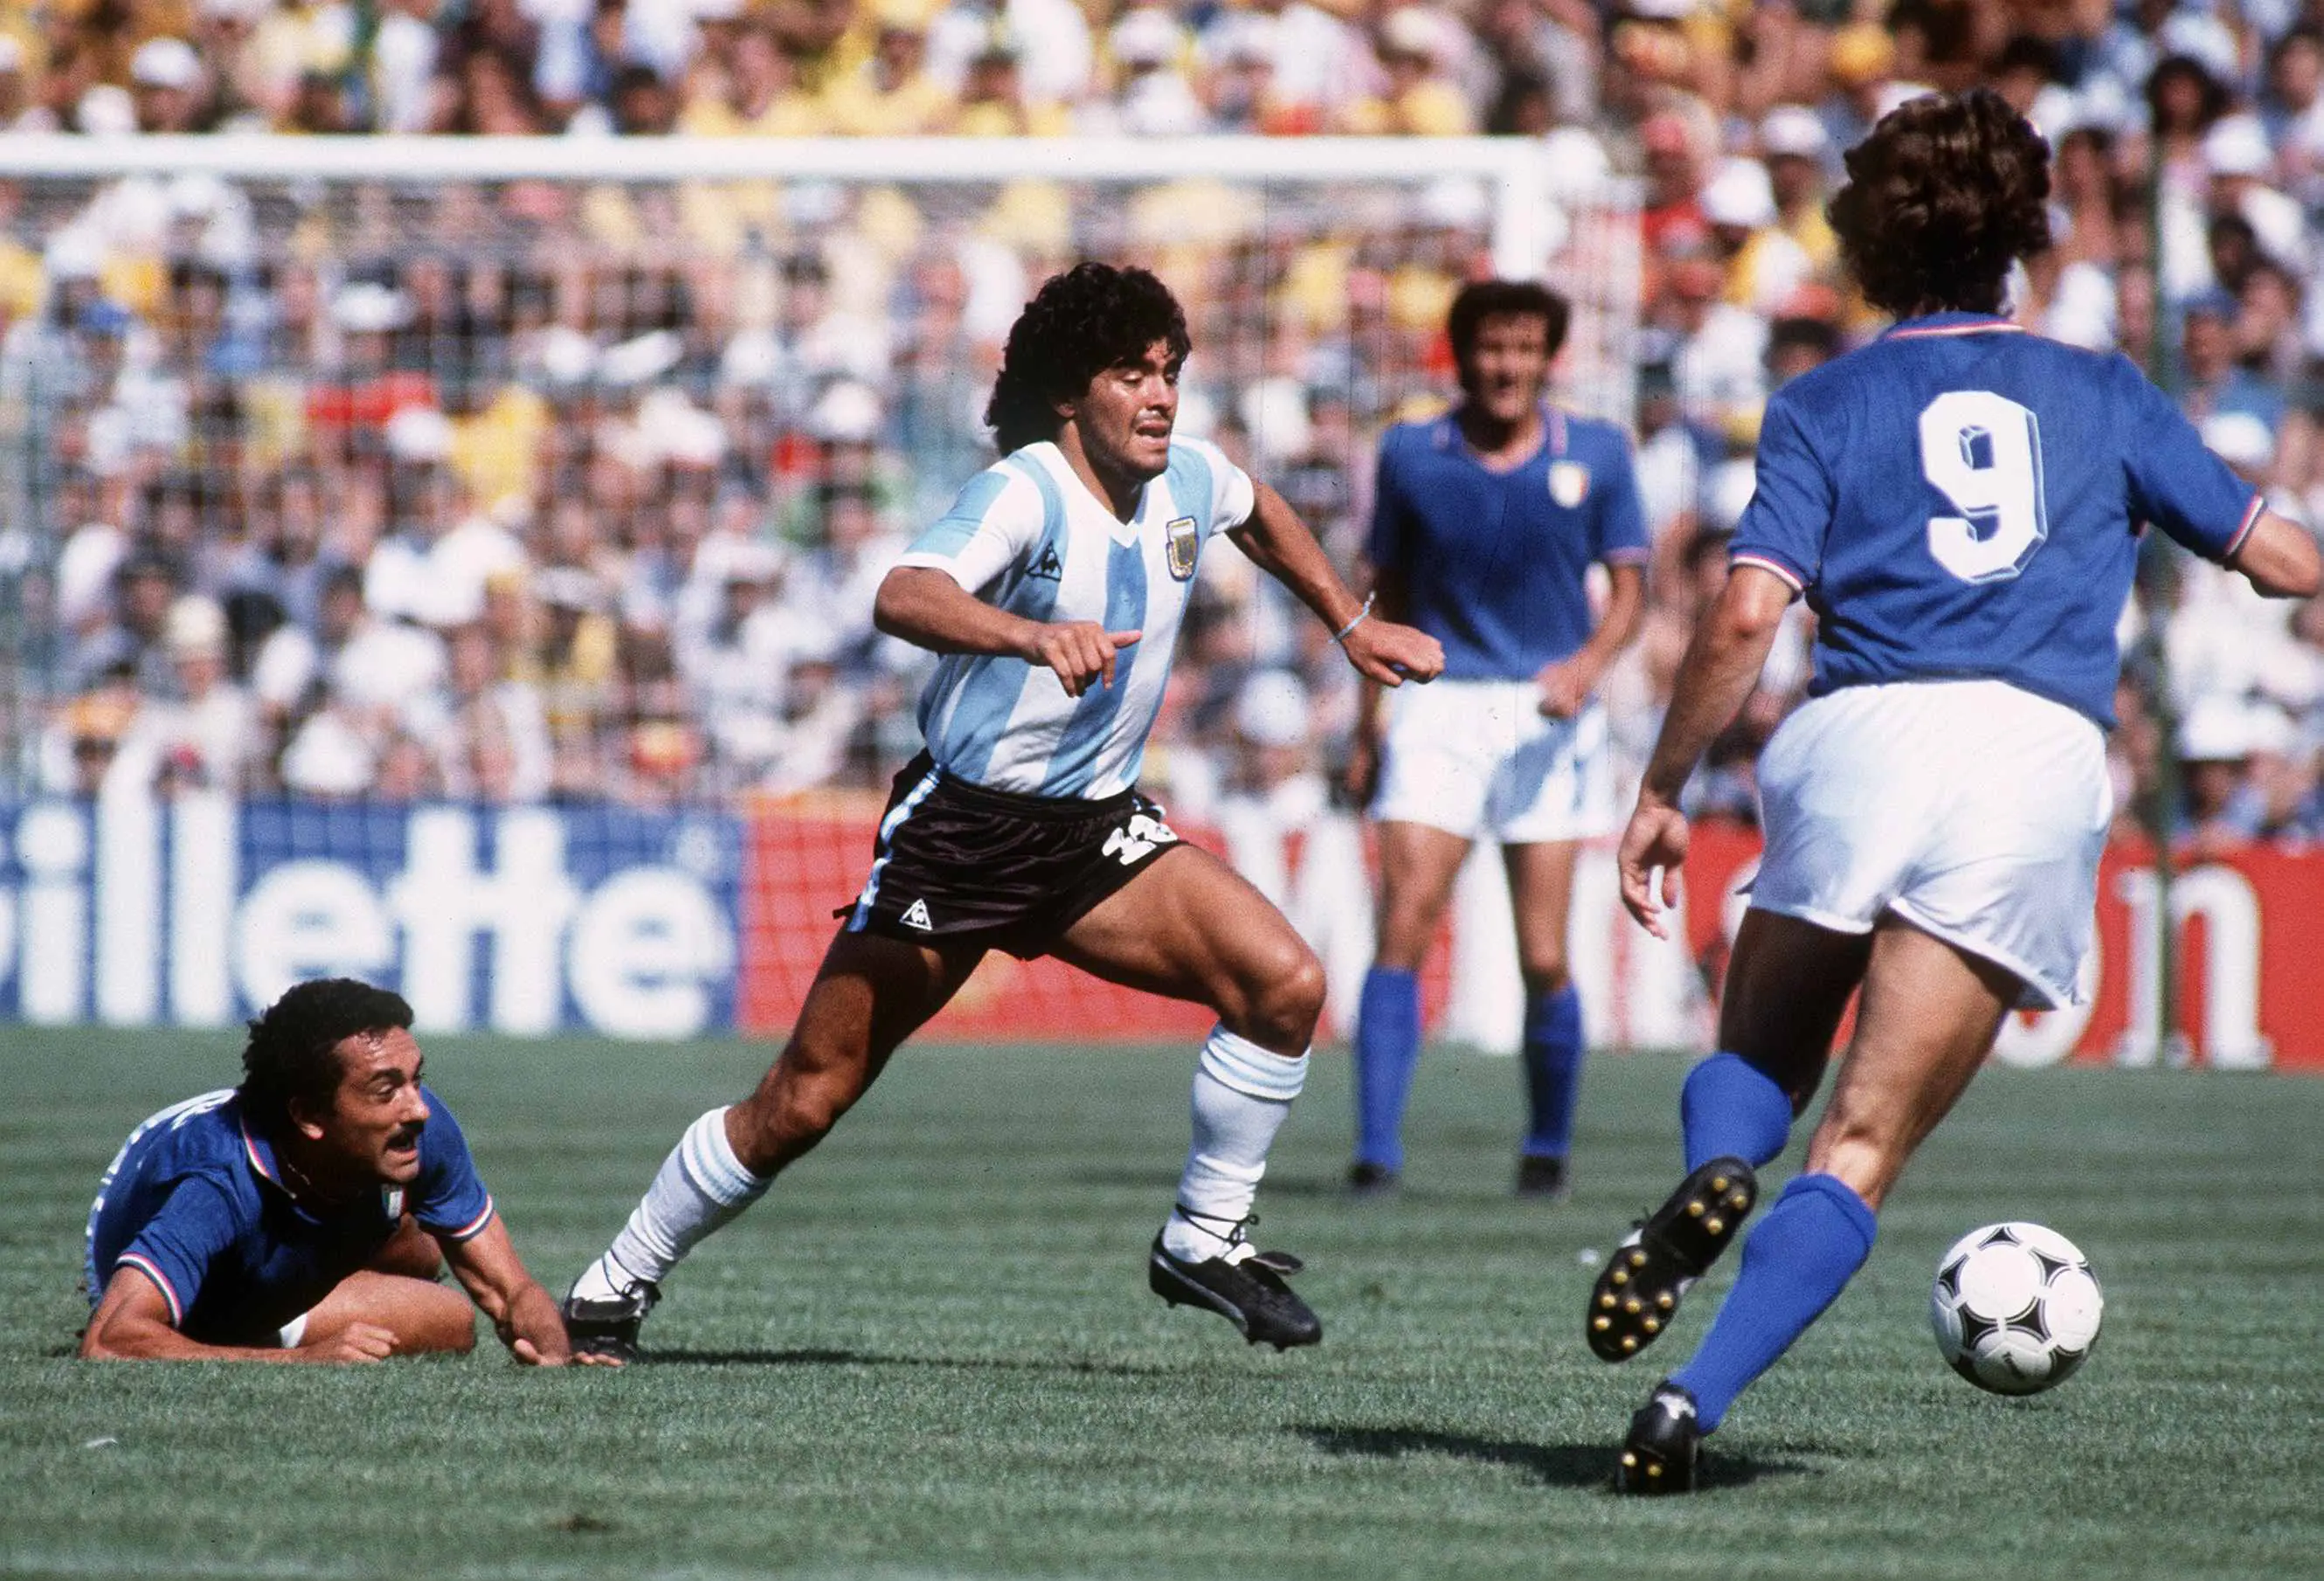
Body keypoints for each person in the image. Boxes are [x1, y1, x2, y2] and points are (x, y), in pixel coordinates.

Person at [1592, 89, 2320, 1494]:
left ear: (1869, 240)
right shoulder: (2101, 387)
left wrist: (1664, 784)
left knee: (1761, 1056)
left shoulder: (1821, 400)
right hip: (2024, 761)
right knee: (1860, 1142)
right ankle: (1691, 1400)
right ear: (2025, 237)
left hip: (1857, 731)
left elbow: (1746, 613)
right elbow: (2279, 558)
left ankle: (1707, 1179)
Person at [560, 264, 1441, 1359]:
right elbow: (904, 592)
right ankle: (613, 1284)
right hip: (965, 835)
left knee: (1284, 984)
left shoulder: (1188, 481)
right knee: (801, 1100)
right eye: (1131, 375)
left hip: (1093, 832)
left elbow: (1256, 512)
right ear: (1072, 395)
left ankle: (1203, 1238)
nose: (1160, 396)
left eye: (1169, 372)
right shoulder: (1026, 490)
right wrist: (1030, 634)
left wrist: (1349, 622)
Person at [1345, 279, 1647, 1199]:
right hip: (1438, 703)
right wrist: (1369, 718)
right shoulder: (1410, 452)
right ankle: (1374, 1154)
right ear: (1461, 354)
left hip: (1548, 716)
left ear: (1546, 357)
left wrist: (1585, 667)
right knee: (1402, 926)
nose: (1503, 365)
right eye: (1488, 347)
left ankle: (1546, 1147)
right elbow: (1382, 594)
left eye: (1521, 348)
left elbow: (1630, 587)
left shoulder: (1595, 452)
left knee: (1543, 951)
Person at [81, 978, 581, 1365]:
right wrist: (297, 1361)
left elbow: (512, 1289)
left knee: (421, 1249)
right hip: (211, 1299)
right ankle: (255, 1324)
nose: (418, 1109)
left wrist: (556, 1353)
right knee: (448, 1321)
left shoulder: (418, 1124)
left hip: (323, 1194)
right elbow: (110, 1340)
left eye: (416, 1079)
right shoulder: (215, 1183)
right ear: (309, 1116)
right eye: (386, 1089)